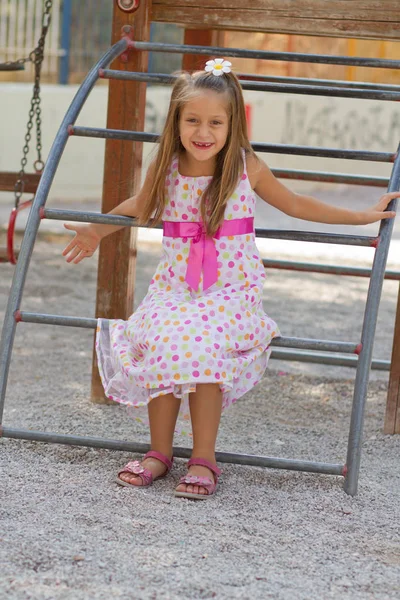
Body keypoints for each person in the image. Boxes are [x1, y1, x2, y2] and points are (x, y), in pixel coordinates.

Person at [63, 58, 398, 500]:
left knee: (203, 344)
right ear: (177, 122)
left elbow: (296, 204)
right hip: (175, 289)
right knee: (162, 336)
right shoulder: (167, 168)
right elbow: (137, 206)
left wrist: (361, 216)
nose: (204, 132)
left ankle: (204, 457)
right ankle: (159, 452)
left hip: (230, 292)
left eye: (215, 122)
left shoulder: (245, 167)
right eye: (193, 121)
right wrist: (95, 230)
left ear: (232, 123)